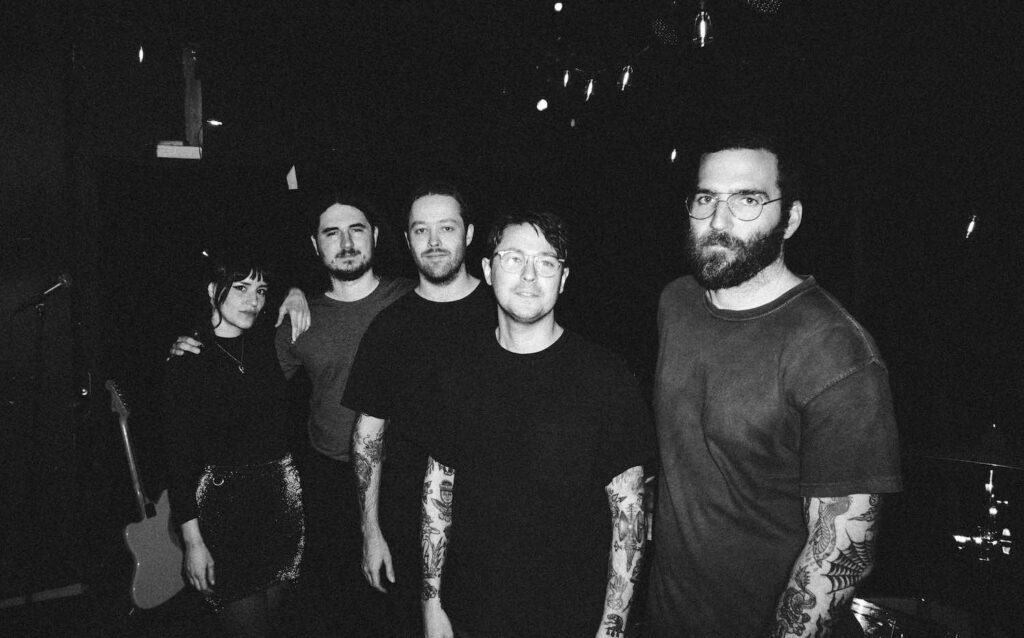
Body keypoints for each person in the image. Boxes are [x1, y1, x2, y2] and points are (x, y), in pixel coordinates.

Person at [644, 131, 903, 637]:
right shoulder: (676, 303)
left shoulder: (836, 351)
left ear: (791, 218)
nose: (718, 221)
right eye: (706, 198)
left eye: (747, 199)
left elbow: (839, 554)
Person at [172, 189, 414, 636]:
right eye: (332, 233)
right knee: (337, 609)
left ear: (376, 236)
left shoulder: (411, 297)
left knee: (406, 608)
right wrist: (187, 348)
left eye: (356, 229)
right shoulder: (296, 321)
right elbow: (234, 388)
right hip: (325, 484)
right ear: (316, 245)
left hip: (404, 476)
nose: (346, 243)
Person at [417, 209, 655, 638]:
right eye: (513, 258)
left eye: (546, 262)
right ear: (487, 269)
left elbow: (629, 518)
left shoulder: (606, 378)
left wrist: (612, 628)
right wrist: (432, 603)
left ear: (563, 279)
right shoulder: (457, 371)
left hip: (570, 621)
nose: (529, 275)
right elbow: (438, 490)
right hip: (470, 614)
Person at [343, 182, 494, 637]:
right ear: (408, 241)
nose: (433, 241)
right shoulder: (389, 327)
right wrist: (370, 532)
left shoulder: (504, 311)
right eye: (420, 230)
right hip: (409, 528)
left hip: (494, 521)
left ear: (468, 234)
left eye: (446, 228)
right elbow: (366, 437)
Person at [162, 250, 304, 637]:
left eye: (261, 290)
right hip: (224, 515)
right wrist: (193, 542)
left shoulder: (266, 344)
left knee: (272, 624)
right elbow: (177, 459)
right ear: (213, 291)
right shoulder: (188, 360)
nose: (253, 300)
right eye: (241, 288)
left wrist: (295, 291)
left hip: (281, 506)